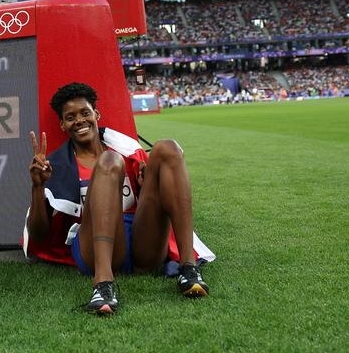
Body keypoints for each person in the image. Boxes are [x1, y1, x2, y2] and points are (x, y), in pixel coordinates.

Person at [24, 82, 213, 315]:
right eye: (70, 117)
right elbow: (39, 235)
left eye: (85, 113)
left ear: (97, 114)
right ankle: (103, 284)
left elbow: (152, 200)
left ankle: (188, 269)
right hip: (94, 248)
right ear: (63, 124)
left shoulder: (128, 151)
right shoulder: (56, 166)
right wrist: (38, 187)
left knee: (168, 148)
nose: (80, 120)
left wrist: (146, 188)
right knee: (109, 162)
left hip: (140, 244)